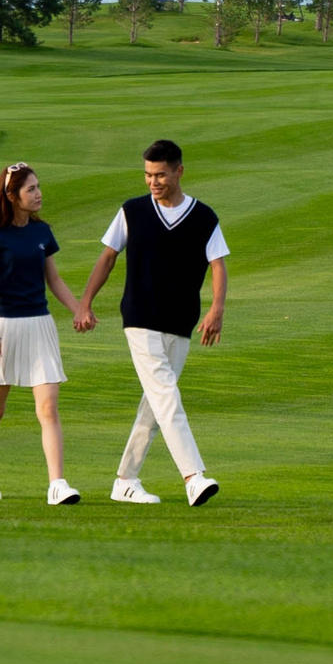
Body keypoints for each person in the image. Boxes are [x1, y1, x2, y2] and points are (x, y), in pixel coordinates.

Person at [76, 138, 227, 506]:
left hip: (181, 322)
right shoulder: (132, 211)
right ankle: (194, 476)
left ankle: (125, 480)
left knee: (156, 405)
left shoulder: (205, 216)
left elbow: (218, 265)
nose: (153, 182)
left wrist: (216, 309)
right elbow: (108, 257)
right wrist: (85, 303)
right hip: (140, 318)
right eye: (147, 175)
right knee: (165, 395)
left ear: (179, 171)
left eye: (160, 174)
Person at [0, 162, 87, 504]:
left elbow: (55, 280)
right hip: (3, 328)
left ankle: (57, 484)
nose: (38, 194)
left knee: (48, 408)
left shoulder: (42, 233)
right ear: (11, 196)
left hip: (39, 326)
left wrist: (79, 310)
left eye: (38, 187)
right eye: (30, 189)